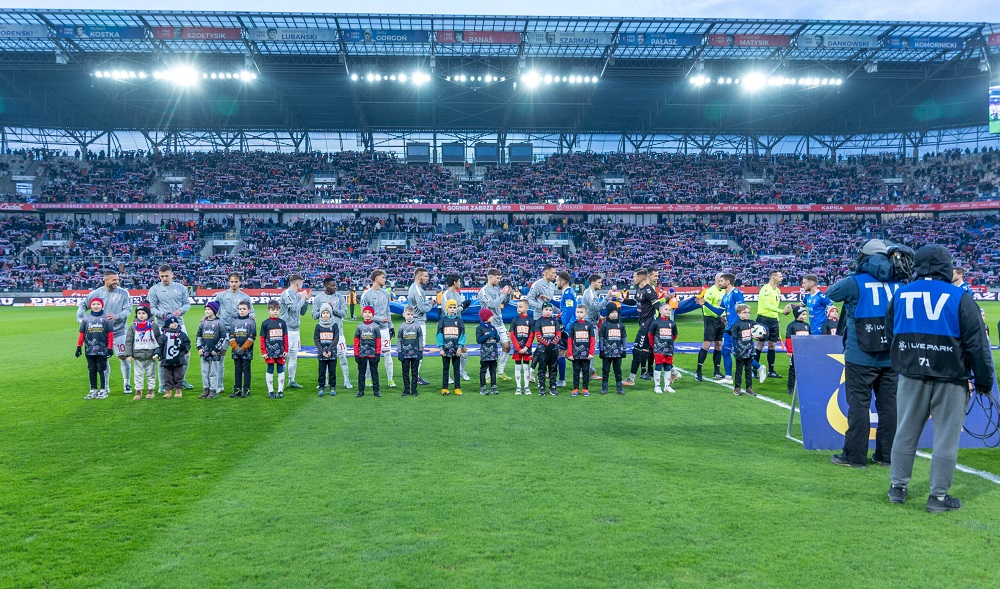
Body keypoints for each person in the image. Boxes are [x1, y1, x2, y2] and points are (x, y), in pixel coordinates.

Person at [886, 244, 995, 512]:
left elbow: (891, 335)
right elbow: (976, 344)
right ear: (946, 266)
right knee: (946, 438)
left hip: (911, 374)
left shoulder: (900, 294)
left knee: (905, 432)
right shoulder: (959, 296)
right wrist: (983, 381)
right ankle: (938, 497)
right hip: (950, 377)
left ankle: (897, 487)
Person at [827, 239, 901, 468]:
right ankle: (886, 456)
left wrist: (857, 273)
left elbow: (832, 292)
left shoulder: (854, 282)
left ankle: (854, 456)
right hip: (891, 355)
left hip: (860, 355)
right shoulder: (899, 283)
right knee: (889, 408)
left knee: (859, 405)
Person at [75, 269, 132, 395]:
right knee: (103, 359)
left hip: (119, 331)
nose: (117, 282)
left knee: (123, 357)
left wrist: (117, 316)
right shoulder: (96, 293)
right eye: (114, 280)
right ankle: (105, 387)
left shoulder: (124, 293)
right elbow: (83, 305)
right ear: (105, 280)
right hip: (100, 333)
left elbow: (128, 309)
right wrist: (80, 319)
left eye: (117, 279)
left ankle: (127, 384)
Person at [149, 264, 193, 392]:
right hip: (162, 325)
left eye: (166, 276)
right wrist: (161, 314)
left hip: (179, 324)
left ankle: (181, 379)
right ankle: (163, 384)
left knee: (186, 352)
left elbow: (187, 304)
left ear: (172, 275)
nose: (164, 278)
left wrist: (180, 311)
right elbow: (152, 307)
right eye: (162, 276)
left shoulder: (180, 288)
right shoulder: (154, 289)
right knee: (162, 354)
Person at [719, 272, 764, 384]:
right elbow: (719, 311)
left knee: (738, 353)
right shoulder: (725, 296)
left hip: (736, 328)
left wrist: (740, 325)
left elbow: (742, 309)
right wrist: (705, 304)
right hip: (728, 328)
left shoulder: (736, 293)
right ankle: (728, 377)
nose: (719, 283)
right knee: (725, 351)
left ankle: (759, 367)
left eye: (721, 281)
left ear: (727, 282)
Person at [213, 272, 254, 388]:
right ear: (228, 282)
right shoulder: (221, 295)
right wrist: (207, 317)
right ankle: (219, 385)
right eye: (231, 281)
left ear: (240, 282)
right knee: (220, 357)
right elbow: (212, 308)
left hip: (239, 332)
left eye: (236, 281)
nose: (234, 284)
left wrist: (251, 321)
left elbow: (252, 313)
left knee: (241, 359)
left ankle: (242, 385)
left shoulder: (245, 297)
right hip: (223, 331)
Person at [311, 276, 352, 390]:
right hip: (324, 334)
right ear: (325, 286)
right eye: (332, 285)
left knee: (342, 356)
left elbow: (344, 313)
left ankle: (346, 380)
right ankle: (324, 382)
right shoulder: (318, 298)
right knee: (325, 358)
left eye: (335, 285)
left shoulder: (340, 298)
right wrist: (324, 309)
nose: (335, 287)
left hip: (338, 333)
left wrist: (332, 308)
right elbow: (314, 315)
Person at [361, 269, 396, 387]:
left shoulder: (386, 294)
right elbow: (364, 313)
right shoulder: (366, 295)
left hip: (385, 329)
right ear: (376, 278)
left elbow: (388, 311)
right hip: (371, 329)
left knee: (387, 353)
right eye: (383, 277)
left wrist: (391, 326)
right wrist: (381, 319)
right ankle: (367, 379)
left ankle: (390, 380)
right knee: (370, 355)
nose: (385, 279)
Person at [624, 268, 658, 385]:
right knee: (650, 349)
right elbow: (635, 302)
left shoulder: (649, 291)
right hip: (643, 323)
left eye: (634, 276)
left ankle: (632, 378)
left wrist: (665, 318)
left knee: (637, 349)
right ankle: (671, 371)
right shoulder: (640, 289)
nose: (633, 279)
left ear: (640, 278)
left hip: (647, 325)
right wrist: (621, 299)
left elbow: (657, 305)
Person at [76, 297, 115, 400]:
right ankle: (93, 389)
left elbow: (110, 334)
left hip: (102, 349)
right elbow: (82, 334)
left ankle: (103, 389)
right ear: (91, 306)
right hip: (89, 349)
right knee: (92, 369)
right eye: (93, 304)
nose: (96, 306)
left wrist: (110, 347)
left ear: (102, 306)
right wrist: (79, 347)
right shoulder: (86, 318)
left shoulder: (107, 318)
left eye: (98, 304)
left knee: (102, 369)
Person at [478, 268, 513, 381]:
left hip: (499, 322)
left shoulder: (497, 289)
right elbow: (492, 304)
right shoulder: (483, 291)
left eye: (500, 278)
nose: (499, 280)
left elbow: (504, 302)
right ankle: (488, 375)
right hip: (488, 325)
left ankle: (500, 372)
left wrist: (508, 294)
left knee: (507, 347)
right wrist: (503, 294)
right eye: (497, 278)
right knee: (488, 350)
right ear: (490, 277)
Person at [124, 302, 161, 400]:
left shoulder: (154, 326)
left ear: (148, 314)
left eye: (143, 313)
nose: (141, 315)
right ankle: (138, 391)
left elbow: (159, 341)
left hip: (151, 355)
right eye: (139, 313)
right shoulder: (133, 327)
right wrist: (128, 355)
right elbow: (129, 342)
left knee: (151, 374)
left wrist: (157, 353)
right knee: (138, 374)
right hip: (137, 355)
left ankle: (151, 390)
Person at [278, 273, 310, 390]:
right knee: (284, 357)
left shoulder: (297, 295)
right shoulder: (286, 293)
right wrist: (302, 298)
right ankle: (281, 380)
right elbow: (294, 308)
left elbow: (301, 312)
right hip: (286, 330)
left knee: (294, 357)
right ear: (297, 283)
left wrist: (306, 300)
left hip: (296, 330)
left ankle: (292, 380)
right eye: (301, 283)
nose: (302, 285)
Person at [406, 267, 435, 385]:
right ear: (419, 276)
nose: (427, 278)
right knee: (419, 349)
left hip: (415, 321)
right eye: (426, 276)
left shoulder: (415, 288)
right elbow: (423, 308)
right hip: (418, 322)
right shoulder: (417, 289)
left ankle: (414, 375)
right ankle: (415, 376)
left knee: (416, 349)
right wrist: (431, 304)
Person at [696, 273, 726, 382]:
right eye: (723, 280)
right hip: (711, 320)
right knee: (707, 344)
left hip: (721, 320)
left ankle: (716, 371)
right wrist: (719, 315)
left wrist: (724, 317)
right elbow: (706, 308)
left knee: (719, 345)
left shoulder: (724, 291)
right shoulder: (710, 291)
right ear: (718, 280)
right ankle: (698, 371)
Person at [439, 273, 470, 383]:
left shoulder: (457, 295)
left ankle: (461, 371)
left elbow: (460, 310)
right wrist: (462, 307)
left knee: (463, 349)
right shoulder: (446, 295)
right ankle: (447, 376)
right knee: (448, 350)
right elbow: (449, 310)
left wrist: (464, 307)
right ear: (454, 282)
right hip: (448, 325)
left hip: (458, 324)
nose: (460, 283)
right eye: (459, 281)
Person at [756, 269, 785, 379]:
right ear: (773, 277)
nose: (781, 278)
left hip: (773, 320)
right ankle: (755, 369)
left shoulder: (777, 290)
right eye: (780, 276)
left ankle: (771, 370)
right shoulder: (765, 289)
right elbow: (767, 305)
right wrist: (782, 312)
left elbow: (775, 306)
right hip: (763, 319)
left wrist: (777, 320)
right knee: (760, 344)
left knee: (772, 345)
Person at [196, 301, 227, 399]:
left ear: (214, 310)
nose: (207, 311)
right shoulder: (203, 323)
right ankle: (206, 389)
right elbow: (198, 336)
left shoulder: (219, 322)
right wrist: (199, 348)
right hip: (204, 351)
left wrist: (216, 349)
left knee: (213, 372)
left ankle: (213, 389)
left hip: (214, 352)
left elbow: (223, 337)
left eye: (209, 309)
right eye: (205, 309)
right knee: (204, 371)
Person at [729, 304, 761, 397]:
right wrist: (736, 351)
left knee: (748, 369)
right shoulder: (736, 325)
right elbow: (734, 339)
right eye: (744, 312)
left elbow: (760, 329)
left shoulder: (752, 323)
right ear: (739, 313)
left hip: (749, 349)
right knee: (739, 370)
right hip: (740, 350)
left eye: (748, 312)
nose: (747, 314)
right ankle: (737, 387)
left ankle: (749, 387)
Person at [260, 299, 289, 399]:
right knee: (270, 369)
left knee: (281, 369)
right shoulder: (265, 323)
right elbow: (262, 339)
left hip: (281, 351)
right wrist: (263, 352)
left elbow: (285, 337)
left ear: (279, 310)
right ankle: (271, 390)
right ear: (268, 311)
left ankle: (280, 390)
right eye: (272, 309)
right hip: (269, 352)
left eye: (277, 309)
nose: (275, 311)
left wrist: (286, 350)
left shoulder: (282, 323)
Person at [582, 274, 608, 380]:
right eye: (599, 282)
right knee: (591, 348)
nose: (601, 284)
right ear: (593, 283)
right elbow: (596, 308)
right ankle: (588, 371)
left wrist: (599, 317)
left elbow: (591, 309)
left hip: (589, 322)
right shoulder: (591, 293)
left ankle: (587, 370)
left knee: (588, 348)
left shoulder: (591, 292)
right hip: (590, 325)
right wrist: (607, 298)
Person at [649, 302, 679, 394]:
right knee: (658, 366)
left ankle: (667, 386)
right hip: (658, 349)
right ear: (660, 311)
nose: (668, 311)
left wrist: (669, 343)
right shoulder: (656, 322)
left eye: (669, 310)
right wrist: (655, 346)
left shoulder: (672, 323)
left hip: (669, 349)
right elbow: (650, 335)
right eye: (666, 309)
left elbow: (675, 335)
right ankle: (657, 386)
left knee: (668, 367)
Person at [157, 315, 190, 399]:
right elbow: (159, 346)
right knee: (167, 376)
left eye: (175, 322)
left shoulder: (181, 334)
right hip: (167, 360)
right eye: (172, 323)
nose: (174, 324)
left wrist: (186, 349)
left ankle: (178, 390)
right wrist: (157, 354)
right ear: (167, 325)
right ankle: (168, 390)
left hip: (178, 359)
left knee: (178, 375)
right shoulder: (164, 336)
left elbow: (187, 343)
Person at [437, 300, 465, 396]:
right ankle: (444, 388)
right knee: (446, 369)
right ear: (446, 309)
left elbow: (462, 335)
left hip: (456, 349)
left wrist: (460, 347)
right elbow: (439, 335)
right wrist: (441, 348)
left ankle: (457, 388)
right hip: (445, 350)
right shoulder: (442, 321)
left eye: (454, 307)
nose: (452, 309)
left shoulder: (459, 321)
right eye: (450, 307)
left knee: (456, 369)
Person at [566, 304, 595, 397]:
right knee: (576, 372)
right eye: (577, 312)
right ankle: (576, 388)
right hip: (575, 354)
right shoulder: (573, 325)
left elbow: (592, 340)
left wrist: (591, 353)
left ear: (586, 313)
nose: (579, 314)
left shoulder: (589, 326)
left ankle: (585, 388)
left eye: (581, 312)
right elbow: (570, 341)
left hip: (586, 354)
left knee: (586, 372)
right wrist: (570, 354)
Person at [533, 301, 561, 396]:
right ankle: (542, 386)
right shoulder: (538, 321)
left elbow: (558, 334)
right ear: (542, 310)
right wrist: (547, 344)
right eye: (546, 309)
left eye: (550, 310)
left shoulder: (555, 321)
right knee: (542, 369)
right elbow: (538, 335)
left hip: (554, 349)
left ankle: (553, 386)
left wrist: (553, 344)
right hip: (543, 350)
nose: (548, 312)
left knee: (553, 368)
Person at [228, 301, 256, 398]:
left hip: (247, 351)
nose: (242, 311)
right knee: (237, 369)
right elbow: (231, 336)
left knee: (246, 369)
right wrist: (236, 348)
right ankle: (237, 389)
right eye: (240, 309)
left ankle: (246, 389)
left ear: (249, 310)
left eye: (244, 309)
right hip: (236, 351)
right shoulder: (234, 322)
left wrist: (243, 348)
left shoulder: (251, 322)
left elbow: (252, 337)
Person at [354, 305, 382, 398]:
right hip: (362, 353)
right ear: (362, 314)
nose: (367, 314)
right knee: (361, 372)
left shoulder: (376, 327)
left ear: (373, 315)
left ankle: (376, 390)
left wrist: (378, 353)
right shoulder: (359, 326)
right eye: (365, 312)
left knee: (374, 372)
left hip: (373, 353)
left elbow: (378, 341)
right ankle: (360, 390)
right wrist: (356, 354)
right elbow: (356, 341)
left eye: (369, 312)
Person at [599, 302, 627, 395]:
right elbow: (601, 338)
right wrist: (602, 350)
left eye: (616, 312)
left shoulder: (621, 325)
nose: (615, 314)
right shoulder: (605, 325)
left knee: (618, 370)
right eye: (612, 312)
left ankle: (619, 387)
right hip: (607, 353)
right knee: (605, 370)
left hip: (618, 353)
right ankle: (604, 386)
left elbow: (624, 338)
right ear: (608, 313)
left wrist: (624, 350)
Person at [509, 298, 535, 395]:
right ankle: (519, 387)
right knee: (518, 367)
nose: (518, 309)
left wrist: (526, 347)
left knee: (526, 367)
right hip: (518, 349)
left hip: (526, 349)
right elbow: (512, 335)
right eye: (517, 307)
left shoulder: (531, 321)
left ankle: (527, 387)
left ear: (526, 308)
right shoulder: (515, 320)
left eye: (520, 307)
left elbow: (532, 335)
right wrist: (519, 348)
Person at [313, 303, 339, 397]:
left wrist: (329, 350)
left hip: (332, 353)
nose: (325, 315)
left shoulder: (334, 325)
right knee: (321, 372)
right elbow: (316, 340)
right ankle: (321, 387)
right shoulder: (318, 326)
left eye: (327, 313)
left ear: (331, 314)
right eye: (323, 313)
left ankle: (332, 387)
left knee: (332, 372)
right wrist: (322, 351)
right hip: (321, 354)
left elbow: (336, 338)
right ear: (320, 314)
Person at [784, 306, 811, 396]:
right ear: (797, 315)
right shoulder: (792, 325)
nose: (805, 316)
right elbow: (788, 339)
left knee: (805, 369)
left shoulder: (807, 326)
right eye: (803, 314)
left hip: (805, 352)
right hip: (795, 352)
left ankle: (803, 386)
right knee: (793, 370)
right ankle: (790, 387)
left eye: (806, 314)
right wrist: (790, 351)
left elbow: (810, 339)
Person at [397, 305, 423, 397]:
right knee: (405, 372)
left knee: (414, 372)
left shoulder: (417, 326)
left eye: (411, 314)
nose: (410, 316)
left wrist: (420, 351)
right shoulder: (402, 327)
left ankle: (414, 389)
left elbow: (420, 338)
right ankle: (406, 389)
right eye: (408, 314)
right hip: (404, 354)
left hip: (415, 353)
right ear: (404, 315)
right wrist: (399, 352)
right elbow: (399, 340)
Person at [556, 270, 576, 387]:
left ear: (562, 282)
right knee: (567, 352)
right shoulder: (568, 292)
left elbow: (569, 310)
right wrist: (549, 300)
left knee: (561, 352)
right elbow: (564, 308)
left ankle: (562, 380)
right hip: (570, 325)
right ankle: (586, 369)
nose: (556, 283)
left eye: (557, 281)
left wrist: (565, 325)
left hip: (569, 326)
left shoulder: (568, 293)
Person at [476, 308, 501, 395]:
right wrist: (488, 336)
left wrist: (496, 336)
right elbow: (479, 340)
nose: (492, 317)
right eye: (491, 316)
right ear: (486, 317)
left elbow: (498, 340)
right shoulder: (479, 328)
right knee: (483, 370)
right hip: (485, 353)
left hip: (494, 353)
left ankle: (493, 386)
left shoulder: (493, 328)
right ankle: (483, 387)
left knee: (493, 370)